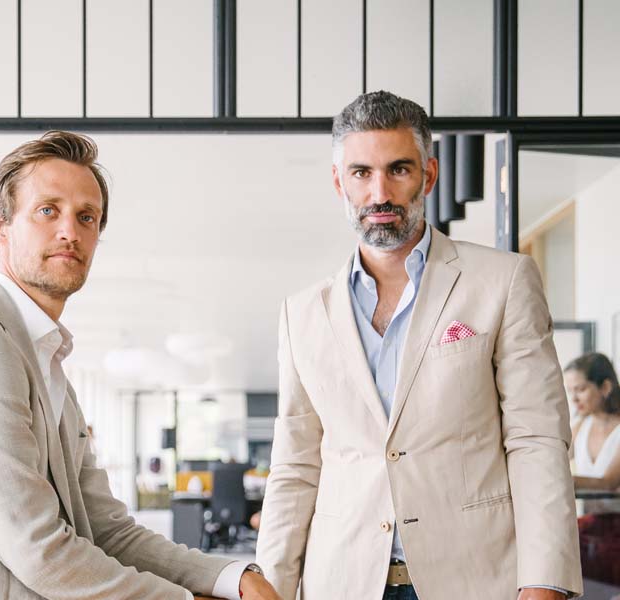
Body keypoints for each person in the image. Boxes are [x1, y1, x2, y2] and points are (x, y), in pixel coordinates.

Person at [0, 131, 279, 600]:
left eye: (87, 217)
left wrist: (231, 577)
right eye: (48, 210)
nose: (70, 231)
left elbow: (108, 531)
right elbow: (40, 551)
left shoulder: (47, 365)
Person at [255, 91, 582, 599]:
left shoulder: (503, 281)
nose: (379, 192)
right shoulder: (301, 315)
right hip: (342, 583)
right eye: (361, 173)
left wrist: (544, 583)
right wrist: (269, 586)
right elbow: (295, 467)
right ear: (339, 182)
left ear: (428, 175)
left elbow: (536, 439)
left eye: (398, 170)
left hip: (475, 581)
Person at [564, 352, 620, 587]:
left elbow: (609, 482)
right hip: (592, 530)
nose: (574, 398)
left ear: (605, 387)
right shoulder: (580, 426)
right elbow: (555, 460)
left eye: (581, 389)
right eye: (570, 391)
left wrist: (563, 479)